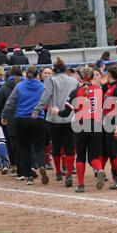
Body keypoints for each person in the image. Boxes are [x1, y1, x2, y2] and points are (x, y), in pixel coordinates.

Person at [51, 67, 107, 193]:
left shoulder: (75, 92)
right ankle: (99, 169)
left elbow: (65, 113)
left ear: (80, 78)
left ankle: (81, 185)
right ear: (92, 77)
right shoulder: (99, 90)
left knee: (80, 157)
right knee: (94, 156)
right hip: (96, 126)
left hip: (80, 126)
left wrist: (56, 111)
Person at [33, 57, 79, 186]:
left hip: (54, 117)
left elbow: (46, 95)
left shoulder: (51, 80)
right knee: (70, 147)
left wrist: (38, 109)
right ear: (65, 70)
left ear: (54, 70)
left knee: (56, 146)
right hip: (69, 117)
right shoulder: (73, 81)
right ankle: (69, 173)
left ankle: (58, 171)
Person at [3, 65, 49, 186]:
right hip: (37, 119)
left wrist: (4, 115)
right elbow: (46, 101)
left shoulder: (20, 86)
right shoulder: (42, 86)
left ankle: (28, 176)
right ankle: (42, 165)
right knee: (39, 146)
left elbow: (10, 102)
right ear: (37, 75)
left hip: (21, 119)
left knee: (25, 148)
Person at [0, 65, 23, 178]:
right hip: (24, 116)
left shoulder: (4, 88)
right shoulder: (25, 85)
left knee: (11, 143)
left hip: (8, 119)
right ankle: (29, 165)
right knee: (24, 142)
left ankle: (14, 167)